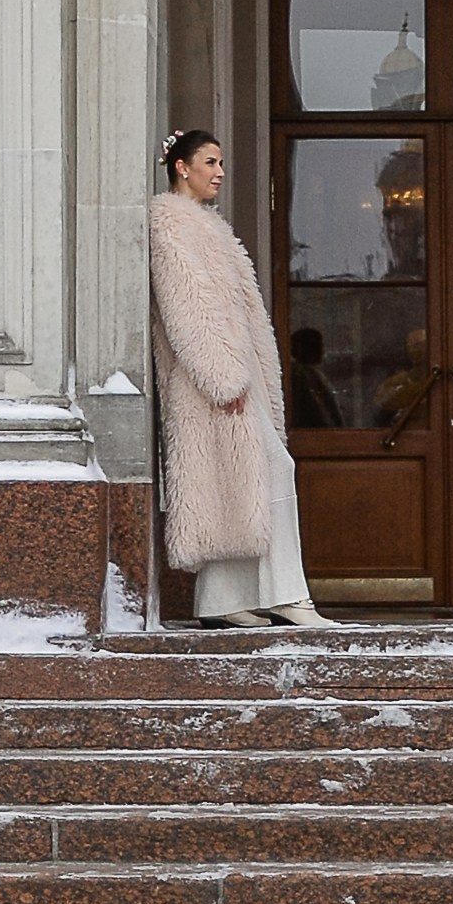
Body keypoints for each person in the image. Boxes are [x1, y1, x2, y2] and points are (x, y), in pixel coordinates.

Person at [147, 127, 325, 628]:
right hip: (215, 382)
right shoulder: (170, 225)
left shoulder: (206, 226)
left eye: (221, 162)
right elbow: (188, 308)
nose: (220, 172)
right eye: (209, 162)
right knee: (268, 472)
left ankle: (219, 602)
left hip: (233, 379)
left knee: (234, 485)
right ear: (181, 167)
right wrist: (223, 378)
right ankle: (288, 594)